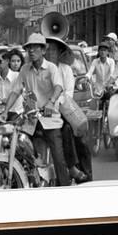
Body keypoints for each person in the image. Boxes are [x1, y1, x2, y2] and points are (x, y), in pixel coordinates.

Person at [2, 33, 71, 186]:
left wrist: (51, 103)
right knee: (19, 146)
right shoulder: (25, 69)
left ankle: (65, 188)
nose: (31, 51)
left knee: (58, 158)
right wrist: (6, 110)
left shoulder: (51, 68)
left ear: (43, 50)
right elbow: (15, 91)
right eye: (29, 48)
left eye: (35, 47)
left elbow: (59, 87)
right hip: (31, 119)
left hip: (50, 119)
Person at [45, 36, 92, 184]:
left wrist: (52, 104)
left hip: (62, 110)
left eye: (53, 49)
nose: (50, 53)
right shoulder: (40, 69)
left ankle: (80, 171)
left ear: (60, 53)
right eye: (48, 49)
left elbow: (67, 95)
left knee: (76, 135)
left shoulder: (65, 70)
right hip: (40, 113)